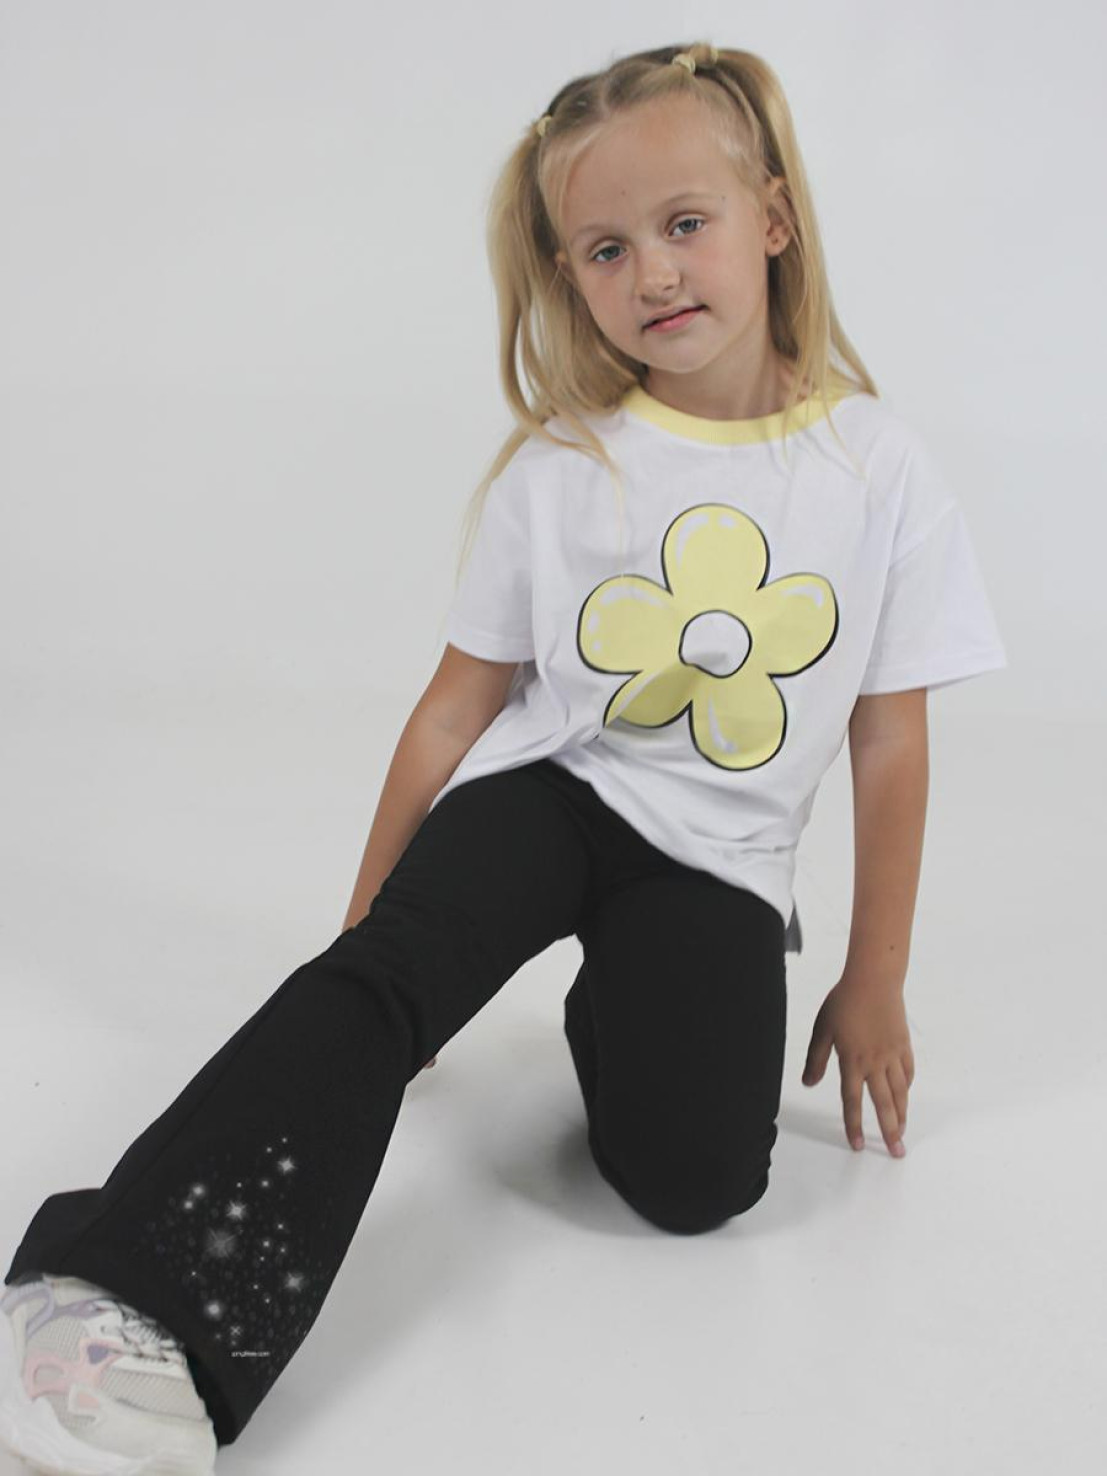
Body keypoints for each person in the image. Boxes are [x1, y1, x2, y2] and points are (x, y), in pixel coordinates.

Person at [0, 39, 1007, 1474]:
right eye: (607, 249)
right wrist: (371, 924)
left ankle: (612, 1000)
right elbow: (454, 708)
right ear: (569, 275)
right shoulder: (563, 466)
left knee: (699, 1186)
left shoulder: (878, 469)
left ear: (775, 219)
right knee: (380, 991)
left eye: (685, 223)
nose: (654, 273)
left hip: (716, 856)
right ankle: (123, 1296)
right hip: (550, 795)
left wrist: (876, 973)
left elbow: (890, 735)